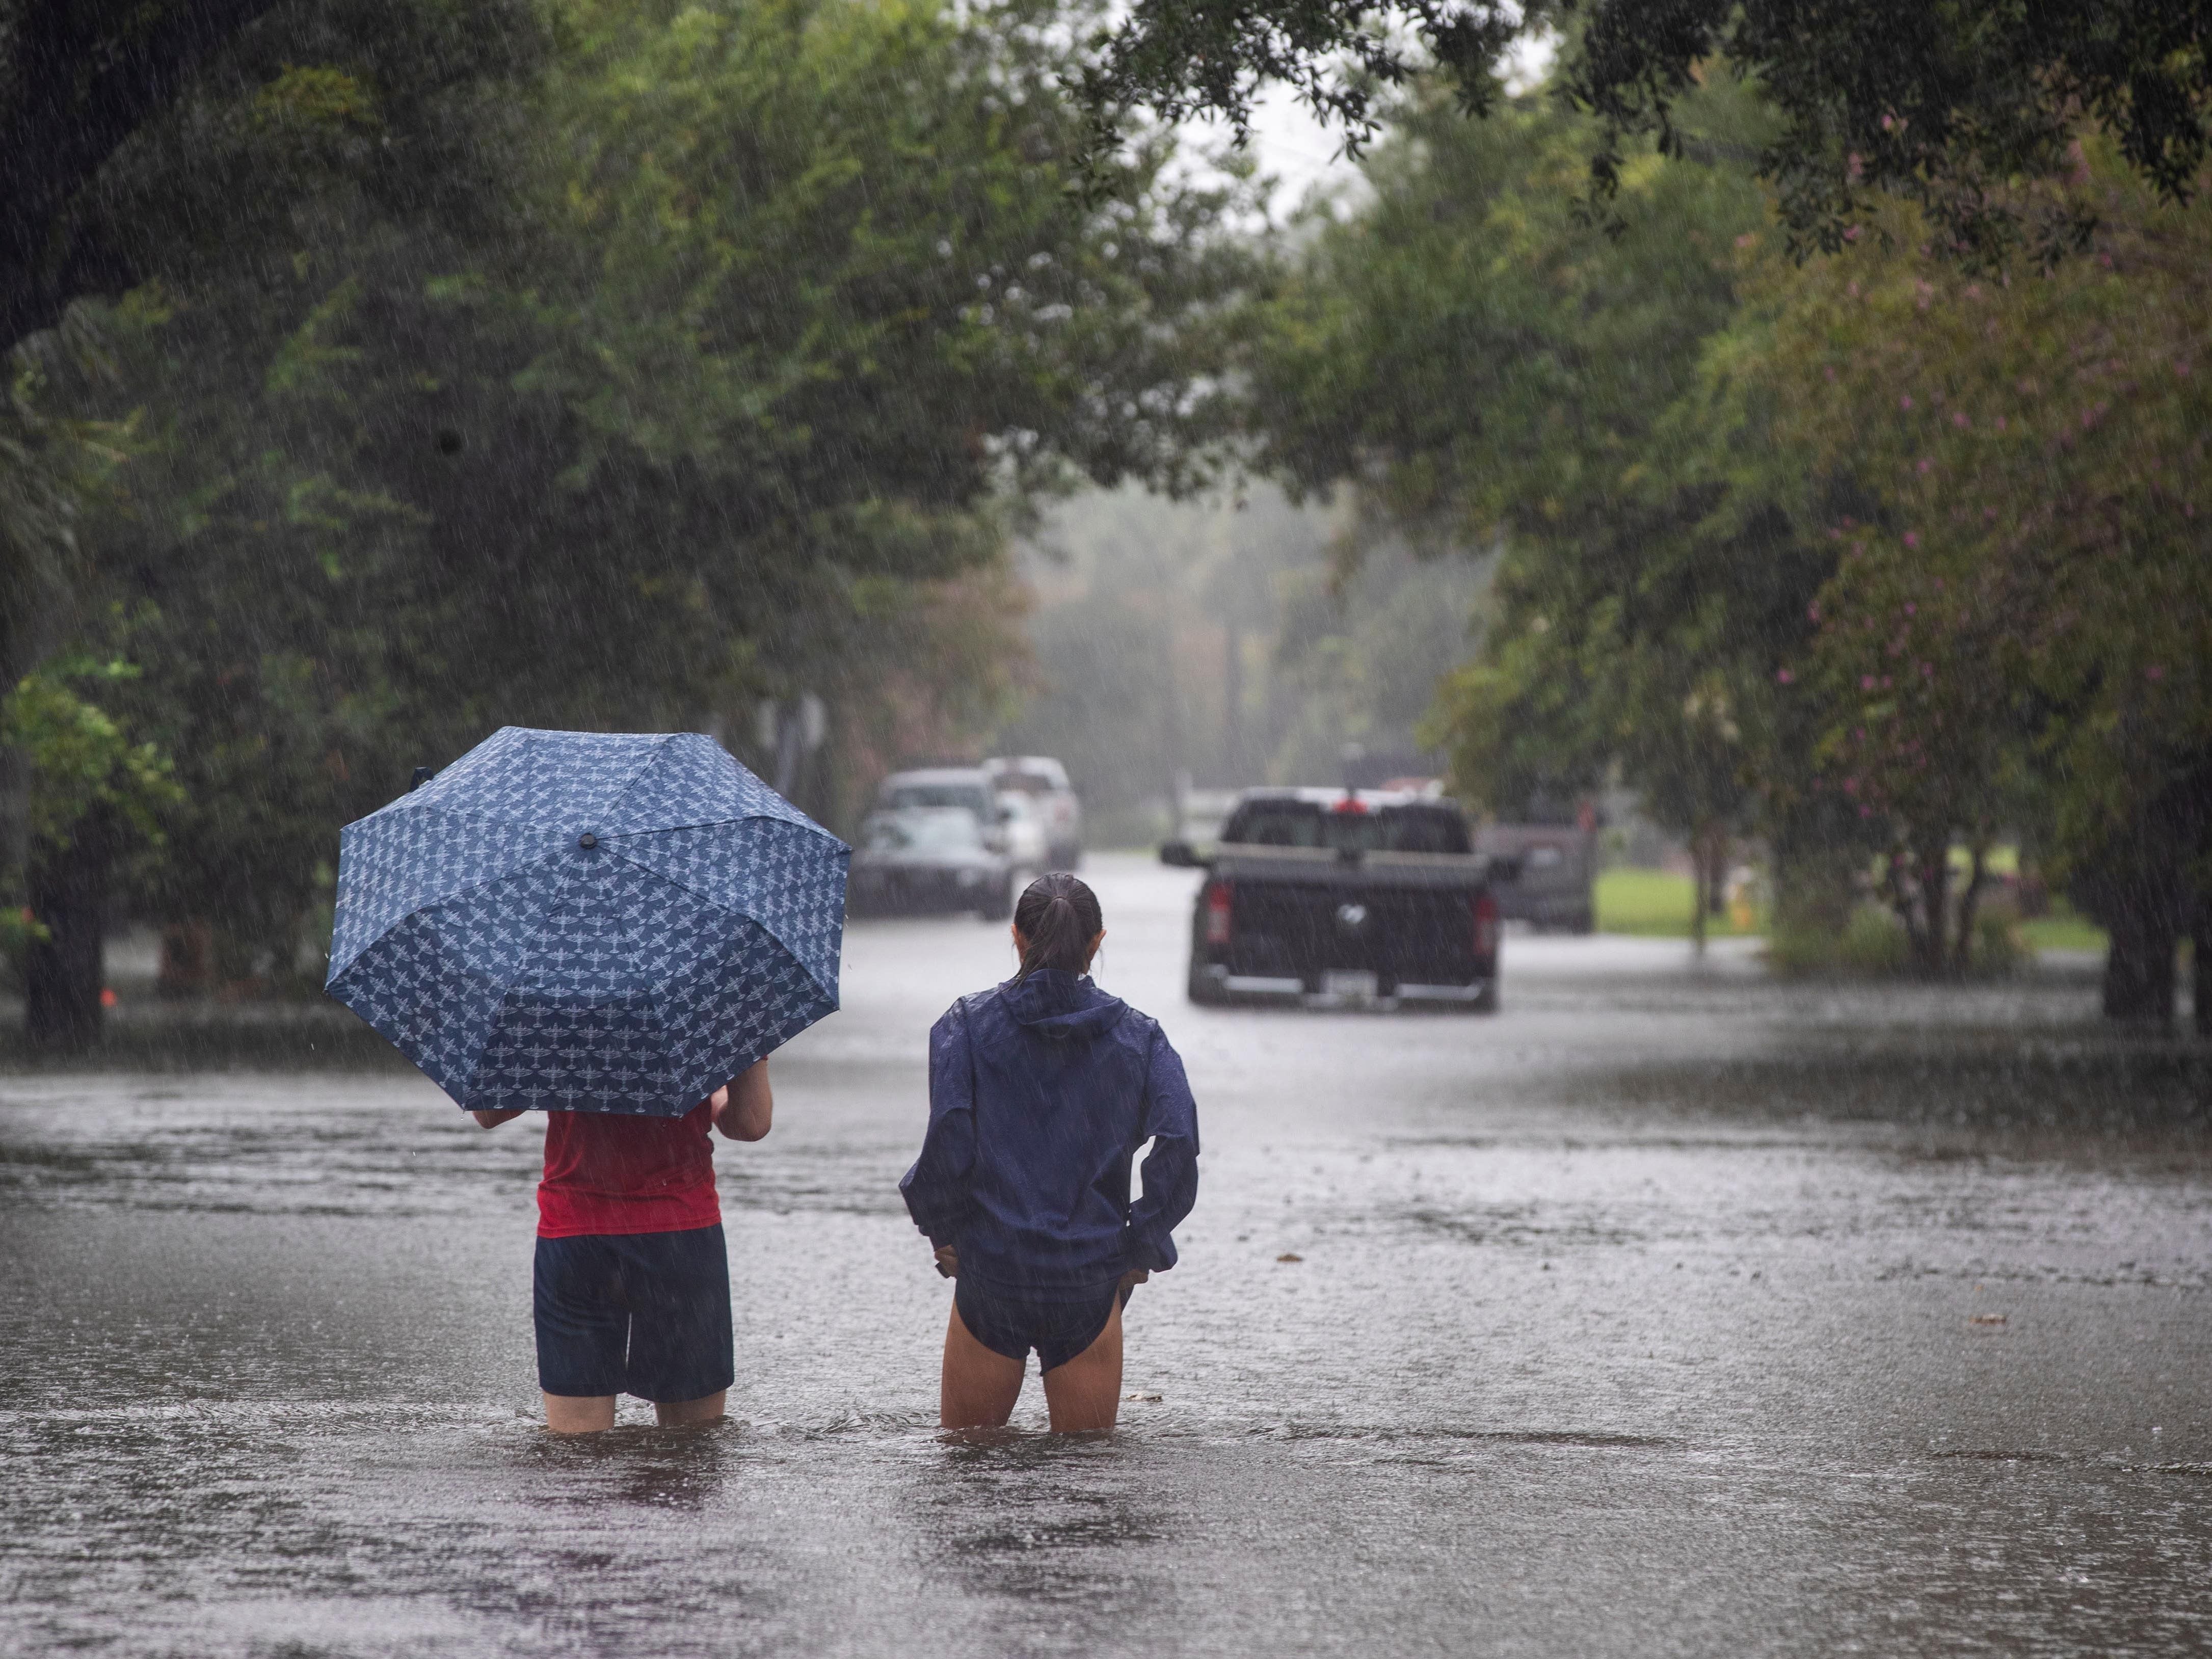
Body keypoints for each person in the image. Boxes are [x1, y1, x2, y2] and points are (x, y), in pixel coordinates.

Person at [900, 872, 1200, 1433]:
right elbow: (1178, 1141)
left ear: (1016, 936)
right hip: (1088, 1281)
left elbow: (948, 1136)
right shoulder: (1142, 1038)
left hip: (992, 1273)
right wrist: (1143, 1242)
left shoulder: (966, 1026)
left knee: (968, 1481)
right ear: (1097, 942)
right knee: (1086, 1495)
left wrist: (942, 1228)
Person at [472, 1059, 773, 1433]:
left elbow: (489, 1113)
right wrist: (744, 1054)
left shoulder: (554, 1014)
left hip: (576, 1235)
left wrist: (548, 1063)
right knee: (692, 1448)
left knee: (576, 1451)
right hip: (679, 1238)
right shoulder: (699, 1016)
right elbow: (749, 1125)